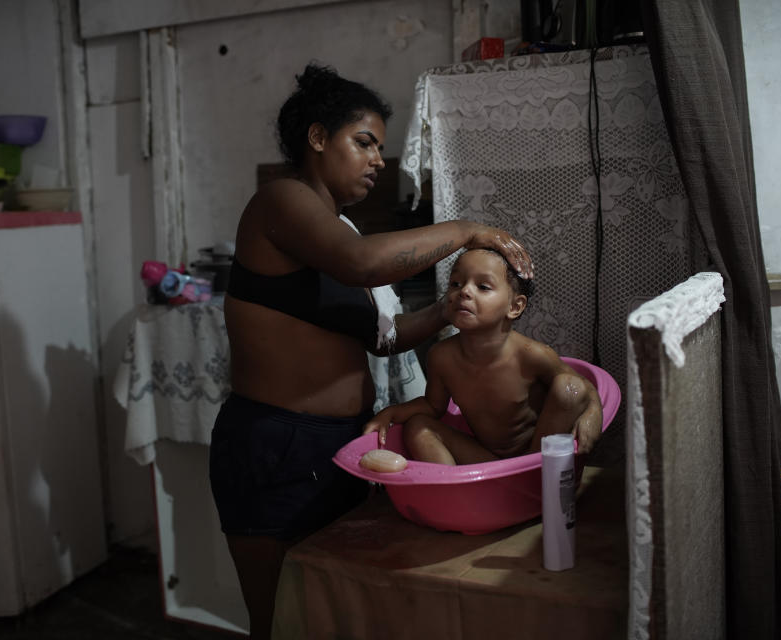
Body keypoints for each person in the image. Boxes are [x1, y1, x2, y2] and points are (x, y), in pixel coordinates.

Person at [207, 63, 534, 639]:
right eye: (364, 143)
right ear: (316, 138)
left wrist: (452, 308)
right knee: (282, 618)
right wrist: (466, 231)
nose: (378, 161)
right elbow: (362, 266)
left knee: (338, 612)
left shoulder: (340, 230)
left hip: (344, 442)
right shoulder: (281, 202)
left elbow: (383, 338)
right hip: (276, 442)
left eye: (380, 148)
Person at [363, 248, 603, 464]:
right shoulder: (442, 357)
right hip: (486, 458)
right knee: (417, 426)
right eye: (456, 283)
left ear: (514, 307)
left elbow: (582, 388)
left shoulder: (532, 356)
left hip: (537, 456)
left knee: (568, 386)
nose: (464, 291)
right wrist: (390, 412)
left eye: (483, 287)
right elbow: (432, 406)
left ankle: (531, 474)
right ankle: (451, 491)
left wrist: (593, 416)